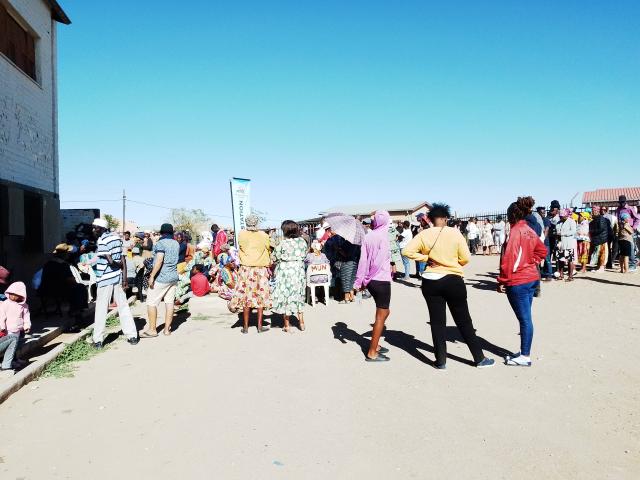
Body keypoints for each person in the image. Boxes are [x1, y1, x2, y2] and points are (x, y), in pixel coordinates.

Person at [403, 203, 494, 369]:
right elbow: (465, 258)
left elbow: (406, 252)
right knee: (464, 321)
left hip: (430, 280)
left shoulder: (424, 234)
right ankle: (479, 358)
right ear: (445, 218)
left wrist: (426, 258)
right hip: (453, 279)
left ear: (430, 219)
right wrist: (452, 262)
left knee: (437, 322)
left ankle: (440, 361)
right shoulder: (454, 233)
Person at [497, 197, 547, 367]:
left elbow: (509, 258)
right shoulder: (527, 229)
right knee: (526, 318)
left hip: (518, 281)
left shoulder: (516, 231)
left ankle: (525, 356)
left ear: (511, 214)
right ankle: (524, 351)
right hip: (531, 278)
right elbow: (542, 250)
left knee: (525, 320)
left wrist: (502, 280)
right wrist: (532, 261)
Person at [91, 218, 138, 348]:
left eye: (95, 227)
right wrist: (124, 278)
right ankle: (132, 335)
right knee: (123, 307)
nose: (93, 230)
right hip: (117, 278)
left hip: (105, 278)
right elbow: (123, 259)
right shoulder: (117, 239)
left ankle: (98, 340)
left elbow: (111, 262)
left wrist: (116, 265)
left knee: (101, 309)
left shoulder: (102, 240)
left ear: (102, 228)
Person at [354, 211, 393, 362]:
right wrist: (366, 278)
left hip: (372, 282)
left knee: (385, 312)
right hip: (380, 280)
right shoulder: (383, 237)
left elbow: (362, 261)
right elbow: (377, 262)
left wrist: (361, 281)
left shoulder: (369, 236)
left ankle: (375, 344)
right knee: (381, 316)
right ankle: (372, 352)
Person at [141, 223, 180, 338]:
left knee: (151, 302)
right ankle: (167, 329)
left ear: (162, 232)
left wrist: (152, 276)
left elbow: (159, 261)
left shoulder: (160, 243)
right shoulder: (176, 243)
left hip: (162, 277)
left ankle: (152, 330)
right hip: (173, 276)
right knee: (169, 302)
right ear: (172, 232)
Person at [237, 214, 271, 334]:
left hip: (246, 269)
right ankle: (260, 327)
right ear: (257, 223)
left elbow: (241, 246)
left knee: (247, 297)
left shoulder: (241, 234)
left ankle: (245, 327)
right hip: (260, 269)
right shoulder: (264, 235)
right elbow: (269, 248)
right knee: (260, 297)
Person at [272, 220, 308, 332]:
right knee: (299, 295)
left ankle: (287, 325)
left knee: (286, 296)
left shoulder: (282, 243)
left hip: (285, 272)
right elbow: (305, 254)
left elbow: (274, 257)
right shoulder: (302, 241)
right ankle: (301, 323)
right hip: (298, 271)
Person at [0, 282, 31, 376]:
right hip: (7, 330)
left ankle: (15, 359)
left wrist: (27, 326)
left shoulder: (24, 306)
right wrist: (2, 327)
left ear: (21, 295)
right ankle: (9, 362)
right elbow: (2, 316)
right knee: (11, 345)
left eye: (15, 295)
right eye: (11, 294)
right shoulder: (5, 304)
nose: (12, 296)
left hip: (18, 329)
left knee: (16, 346)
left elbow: (26, 317)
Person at [615, 195, 640, 272]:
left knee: (630, 247)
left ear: (625, 202)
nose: (622, 203)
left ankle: (632, 265)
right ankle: (623, 267)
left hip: (629, 230)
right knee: (622, 250)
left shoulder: (630, 208)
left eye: (623, 202)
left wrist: (634, 227)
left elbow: (637, 218)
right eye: (620, 202)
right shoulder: (618, 209)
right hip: (621, 231)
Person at [556, 209, 577, 281]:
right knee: (560, 260)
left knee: (569, 260)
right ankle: (561, 275)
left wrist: (563, 233)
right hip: (560, 244)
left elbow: (573, 231)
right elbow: (557, 230)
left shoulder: (571, 221)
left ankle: (570, 276)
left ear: (566, 215)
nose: (561, 217)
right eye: (560, 216)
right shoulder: (559, 222)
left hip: (568, 244)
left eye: (562, 216)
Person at [588, 206, 609, 273]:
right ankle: (598, 266)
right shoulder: (594, 219)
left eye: (594, 211)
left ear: (597, 211)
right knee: (598, 254)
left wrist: (591, 231)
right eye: (592, 211)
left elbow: (601, 229)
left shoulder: (601, 218)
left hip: (601, 239)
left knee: (602, 253)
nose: (592, 212)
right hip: (597, 239)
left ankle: (602, 267)